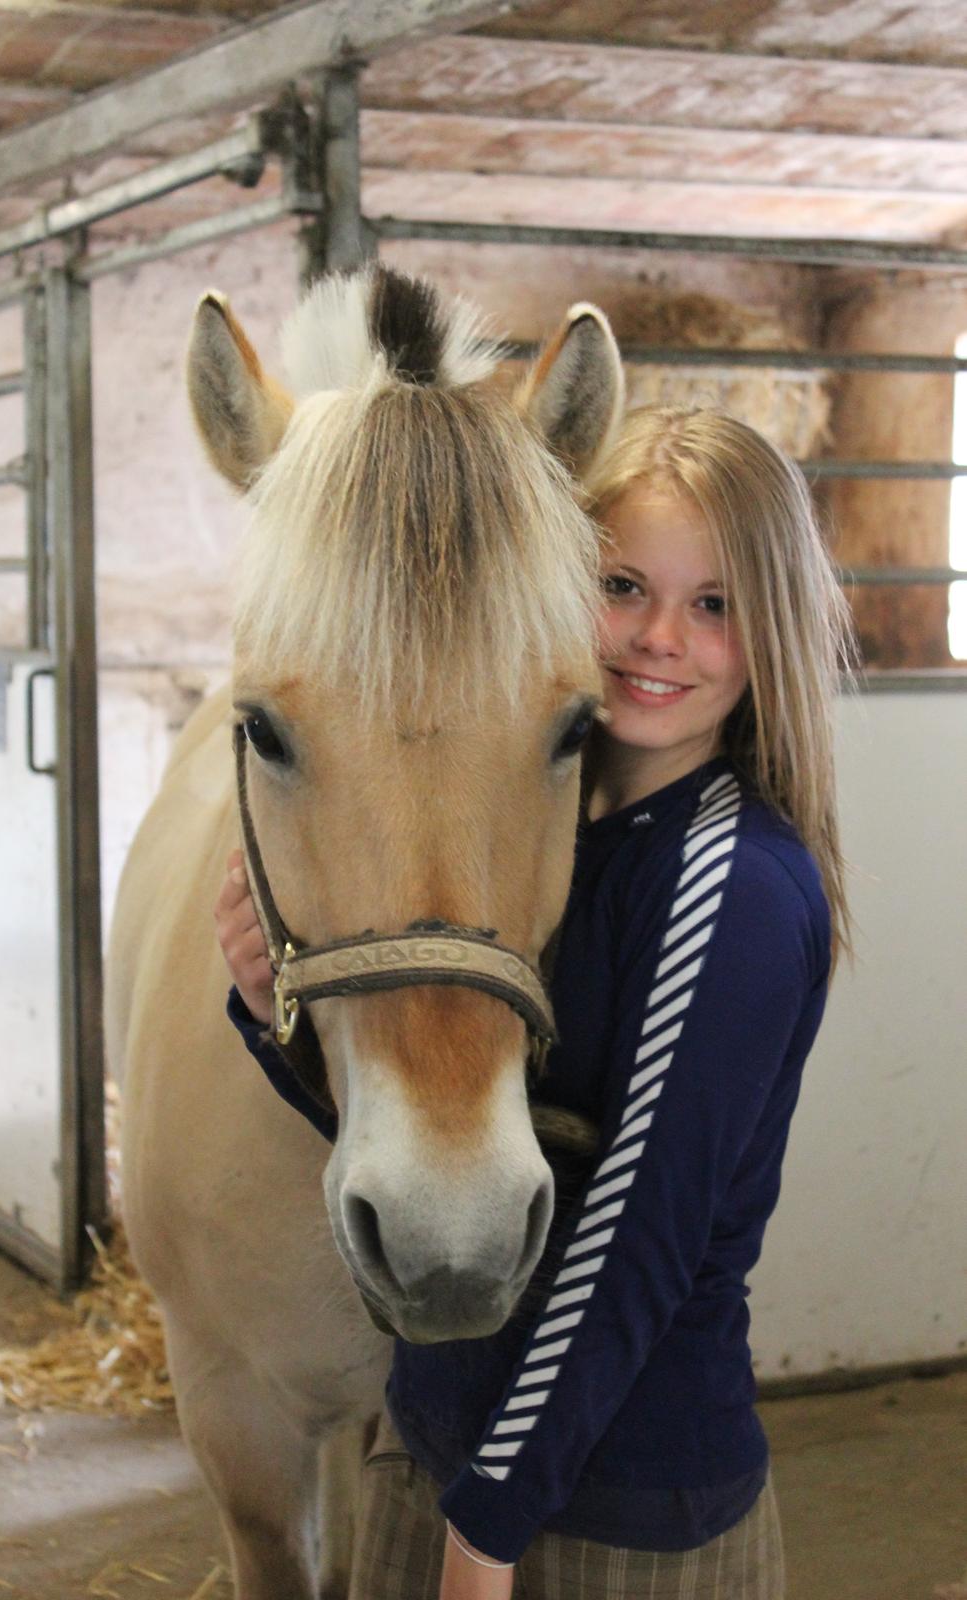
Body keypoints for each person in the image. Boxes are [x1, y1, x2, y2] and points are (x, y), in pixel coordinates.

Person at [215, 405, 853, 1599]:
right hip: (448, 1455)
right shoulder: (560, 845)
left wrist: (484, 1536)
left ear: (772, 631)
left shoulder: (731, 884)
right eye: (621, 585)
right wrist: (270, 1019)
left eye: (715, 604)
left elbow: (629, 1241)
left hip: (608, 1505)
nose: (659, 637)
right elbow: (457, 1142)